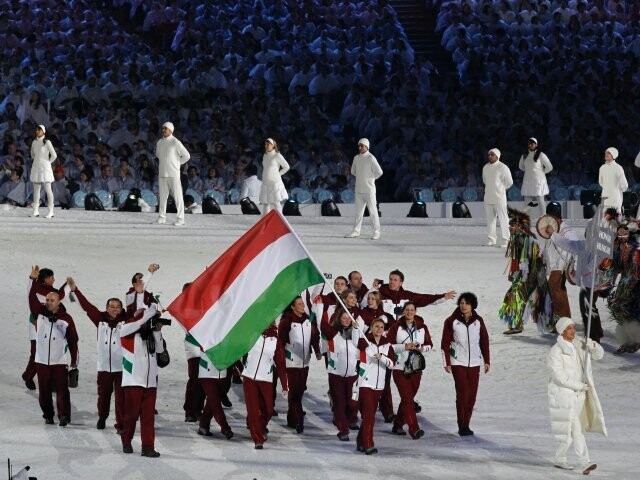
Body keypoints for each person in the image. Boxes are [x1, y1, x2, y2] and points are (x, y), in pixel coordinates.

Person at [547, 317, 605, 474]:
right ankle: (585, 462)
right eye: (569, 328)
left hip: (580, 395)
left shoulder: (580, 344)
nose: (573, 331)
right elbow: (559, 377)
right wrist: (579, 385)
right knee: (577, 428)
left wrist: (592, 345)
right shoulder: (556, 352)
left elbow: (599, 355)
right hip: (565, 396)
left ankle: (560, 459)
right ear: (562, 331)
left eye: (573, 327)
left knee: (570, 431)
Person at [68, 278, 127, 431]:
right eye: (111, 306)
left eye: (117, 307)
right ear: (107, 308)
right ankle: (102, 417)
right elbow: (87, 307)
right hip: (104, 366)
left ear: (121, 309)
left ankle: (120, 423)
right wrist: (75, 290)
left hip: (121, 368)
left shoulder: (127, 321)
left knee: (121, 399)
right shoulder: (100, 319)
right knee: (103, 396)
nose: (114, 309)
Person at [28, 272, 79, 426]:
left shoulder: (66, 319)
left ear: (58, 302)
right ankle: (48, 415)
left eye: (52, 300)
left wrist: (74, 361)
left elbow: (73, 341)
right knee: (43, 392)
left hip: (59, 361)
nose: (49, 302)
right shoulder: (39, 313)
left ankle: (64, 416)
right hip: (42, 361)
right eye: (47, 300)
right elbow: (31, 299)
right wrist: (32, 280)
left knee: (62, 391)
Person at [119, 301, 166, 457]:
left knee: (148, 417)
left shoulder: (152, 335)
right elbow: (132, 325)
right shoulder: (127, 332)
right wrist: (146, 315)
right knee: (131, 416)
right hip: (133, 381)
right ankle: (126, 440)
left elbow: (160, 350)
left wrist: (158, 332)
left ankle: (148, 447)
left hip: (150, 382)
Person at [440, 292, 490, 436]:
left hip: (474, 362)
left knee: (472, 396)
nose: (463, 306)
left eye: (467, 303)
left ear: (472, 305)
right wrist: (447, 362)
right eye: (461, 303)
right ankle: (461, 425)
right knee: (463, 393)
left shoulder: (478, 321)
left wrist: (487, 361)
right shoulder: (451, 321)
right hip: (458, 362)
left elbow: (484, 341)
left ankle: (466, 424)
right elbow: (444, 343)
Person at [387, 301, 433, 439]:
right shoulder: (396, 327)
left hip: (416, 368)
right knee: (407, 399)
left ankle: (398, 425)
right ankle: (414, 429)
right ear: (403, 311)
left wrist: (422, 348)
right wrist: (403, 347)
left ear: (415, 311)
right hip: (400, 368)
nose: (409, 312)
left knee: (408, 398)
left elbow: (430, 344)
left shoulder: (422, 327)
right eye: (407, 310)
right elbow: (388, 346)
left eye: (412, 310)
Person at [278, 296, 321, 434]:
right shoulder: (286, 321)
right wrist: (280, 360)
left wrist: (318, 351)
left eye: (303, 303)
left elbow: (314, 337)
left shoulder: (308, 320)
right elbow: (280, 343)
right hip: (291, 364)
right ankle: (298, 421)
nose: (303, 306)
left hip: (305, 363)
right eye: (299, 304)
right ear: (292, 307)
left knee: (300, 392)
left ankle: (291, 419)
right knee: (294, 395)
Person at [242, 322, 288, 449]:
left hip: (266, 378)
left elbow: (281, 363)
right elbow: (239, 351)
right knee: (253, 410)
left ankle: (260, 428)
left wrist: (284, 384)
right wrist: (241, 368)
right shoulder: (252, 334)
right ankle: (257, 438)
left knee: (268, 409)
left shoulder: (275, 339)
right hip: (249, 377)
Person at [23, 266, 69, 391]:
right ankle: (28, 376)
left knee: (52, 353)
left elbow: (59, 296)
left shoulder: (51, 290)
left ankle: (52, 383)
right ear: (45, 279)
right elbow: (29, 291)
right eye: (51, 277)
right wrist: (32, 277)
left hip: (50, 326)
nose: (54, 279)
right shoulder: (35, 288)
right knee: (36, 353)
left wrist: (67, 285)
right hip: (36, 324)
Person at [321, 308, 363, 441]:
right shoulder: (333, 333)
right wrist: (320, 307)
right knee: (340, 403)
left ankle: (351, 419)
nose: (346, 320)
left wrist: (357, 329)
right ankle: (343, 430)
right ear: (339, 319)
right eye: (343, 318)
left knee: (353, 402)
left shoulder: (356, 334)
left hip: (352, 375)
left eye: (348, 318)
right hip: (336, 375)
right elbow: (321, 324)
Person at [357, 317, 395, 455]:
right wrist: (357, 329)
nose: (379, 329)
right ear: (371, 327)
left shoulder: (387, 345)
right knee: (369, 416)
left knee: (370, 414)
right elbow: (359, 348)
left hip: (379, 385)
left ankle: (360, 441)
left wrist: (382, 357)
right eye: (376, 326)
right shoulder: (364, 341)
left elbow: (392, 364)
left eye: (381, 327)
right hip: (366, 383)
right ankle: (368, 443)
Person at [374, 269, 456, 320]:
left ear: (401, 283)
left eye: (395, 280)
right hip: (384, 332)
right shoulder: (380, 294)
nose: (392, 282)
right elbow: (366, 304)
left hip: (401, 331)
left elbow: (426, 299)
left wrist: (443, 297)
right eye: (391, 279)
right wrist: (374, 289)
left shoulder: (407, 296)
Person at [346, 138, 383, 240]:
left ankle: (376, 232)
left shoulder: (371, 158)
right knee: (358, 212)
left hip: (369, 190)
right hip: (359, 190)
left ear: (367, 146)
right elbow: (353, 171)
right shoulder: (356, 158)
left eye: (362, 145)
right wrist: (362, 176)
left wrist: (371, 178)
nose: (360, 147)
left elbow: (379, 172)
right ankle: (356, 231)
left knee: (373, 211)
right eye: (359, 145)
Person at [155, 121, 190, 226]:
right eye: (162, 128)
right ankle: (161, 217)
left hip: (173, 174)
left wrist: (177, 163)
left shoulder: (175, 142)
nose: (163, 130)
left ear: (170, 130)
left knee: (178, 196)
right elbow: (158, 155)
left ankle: (180, 218)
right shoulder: (159, 142)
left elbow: (187, 156)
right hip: (162, 173)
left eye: (165, 128)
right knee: (162, 197)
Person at [482, 148, 513, 247]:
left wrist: (501, 189)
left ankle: (506, 240)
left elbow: (509, 182)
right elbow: (485, 181)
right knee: (490, 220)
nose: (490, 156)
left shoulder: (503, 167)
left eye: (492, 154)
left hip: (499, 198)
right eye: (489, 154)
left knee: (503, 219)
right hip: (488, 197)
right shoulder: (485, 167)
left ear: (497, 156)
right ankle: (491, 239)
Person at [519, 137, 552, 217]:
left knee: (540, 198)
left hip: (538, 181)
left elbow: (549, 167)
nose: (530, 145)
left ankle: (543, 216)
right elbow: (521, 166)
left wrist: (541, 172)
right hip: (528, 180)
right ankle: (524, 217)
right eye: (529, 143)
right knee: (527, 200)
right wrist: (529, 172)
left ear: (536, 144)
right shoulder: (524, 155)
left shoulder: (541, 155)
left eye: (532, 143)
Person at [29, 124, 57, 218]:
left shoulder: (47, 142)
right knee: (36, 189)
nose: (37, 131)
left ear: (44, 131)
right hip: (36, 167)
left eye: (39, 130)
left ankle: (51, 210)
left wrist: (48, 162)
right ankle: (35, 210)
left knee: (48, 189)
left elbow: (54, 155)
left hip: (45, 168)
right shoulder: (34, 142)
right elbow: (32, 155)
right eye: (36, 130)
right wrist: (37, 160)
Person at [259, 138, 289, 215]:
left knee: (276, 202)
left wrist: (278, 174)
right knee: (266, 203)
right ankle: (265, 223)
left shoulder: (277, 155)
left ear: (273, 145)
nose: (266, 146)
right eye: (265, 144)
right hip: (266, 182)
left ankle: (281, 221)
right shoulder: (265, 156)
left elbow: (286, 166)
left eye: (268, 144)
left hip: (274, 182)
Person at [598, 147, 628, 212]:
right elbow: (601, 182)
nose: (606, 154)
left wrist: (615, 189)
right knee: (605, 220)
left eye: (609, 153)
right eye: (606, 153)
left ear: (613, 155)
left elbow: (624, 185)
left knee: (616, 220)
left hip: (615, 200)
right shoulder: (602, 168)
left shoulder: (618, 168)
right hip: (605, 199)